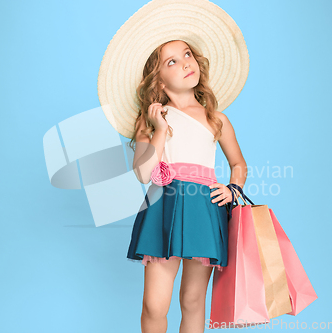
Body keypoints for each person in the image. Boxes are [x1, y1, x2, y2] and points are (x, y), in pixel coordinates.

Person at [97, 1, 250, 332]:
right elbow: (142, 173)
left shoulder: (216, 119)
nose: (185, 63)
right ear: (159, 78)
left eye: (188, 55)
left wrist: (233, 189)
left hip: (205, 207)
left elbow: (238, 165)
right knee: (154, 304)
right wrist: (161, 130)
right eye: (172, 61)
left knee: (193, 301)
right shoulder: (148, 122)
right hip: (163, 205)